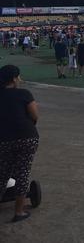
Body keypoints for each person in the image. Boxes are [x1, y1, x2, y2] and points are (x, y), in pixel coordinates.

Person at [0, 65, 39, 223]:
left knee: (2, 173)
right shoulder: (24, 94)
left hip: (4, 139)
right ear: (14, 79)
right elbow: (35, 115)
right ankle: (19, 211)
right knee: (23, 172)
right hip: (26, 137)